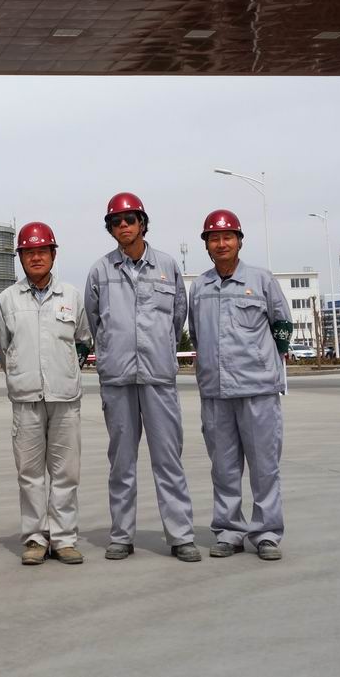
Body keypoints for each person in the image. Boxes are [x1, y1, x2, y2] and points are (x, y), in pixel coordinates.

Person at [84, 192, 200, 563]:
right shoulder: (100, 271)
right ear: (110, 229)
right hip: (117, 380)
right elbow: (95, 321)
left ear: (142, 223)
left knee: (168, 460)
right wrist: (114, 352)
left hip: (158, 379)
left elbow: (177, 317)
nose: (123, 226)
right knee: (121, 463)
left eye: (129, 220)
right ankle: (121, 536)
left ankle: (180, 535)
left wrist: (158, 350)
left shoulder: (167, 266)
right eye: (116, 222)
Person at [186, 209, 291, 561]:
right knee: (224, 468)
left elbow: (282, 326)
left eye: (227, 237)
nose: (221, 244)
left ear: (239, 241)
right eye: (214, 238)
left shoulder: (261, 280)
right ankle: (229, 530)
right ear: (206, 245)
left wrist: (267, 363)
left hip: (257, 391)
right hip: (216, 393)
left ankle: (266, 533)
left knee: (264, 467)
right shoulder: (200, 288)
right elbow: (198, 335)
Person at [0, 222, 90, 567]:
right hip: (26, 400)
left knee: (66, 473)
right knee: (30, 474)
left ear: (53, 254)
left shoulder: (71, 296)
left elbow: (83, 340)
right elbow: (4, 349)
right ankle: (35, 538)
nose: (36, 258)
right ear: (21, 257)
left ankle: (64, 539)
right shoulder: (7, 299)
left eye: (42, 251)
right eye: (29, 252)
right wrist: (23, 374)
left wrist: (65, 371)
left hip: (65, 399)